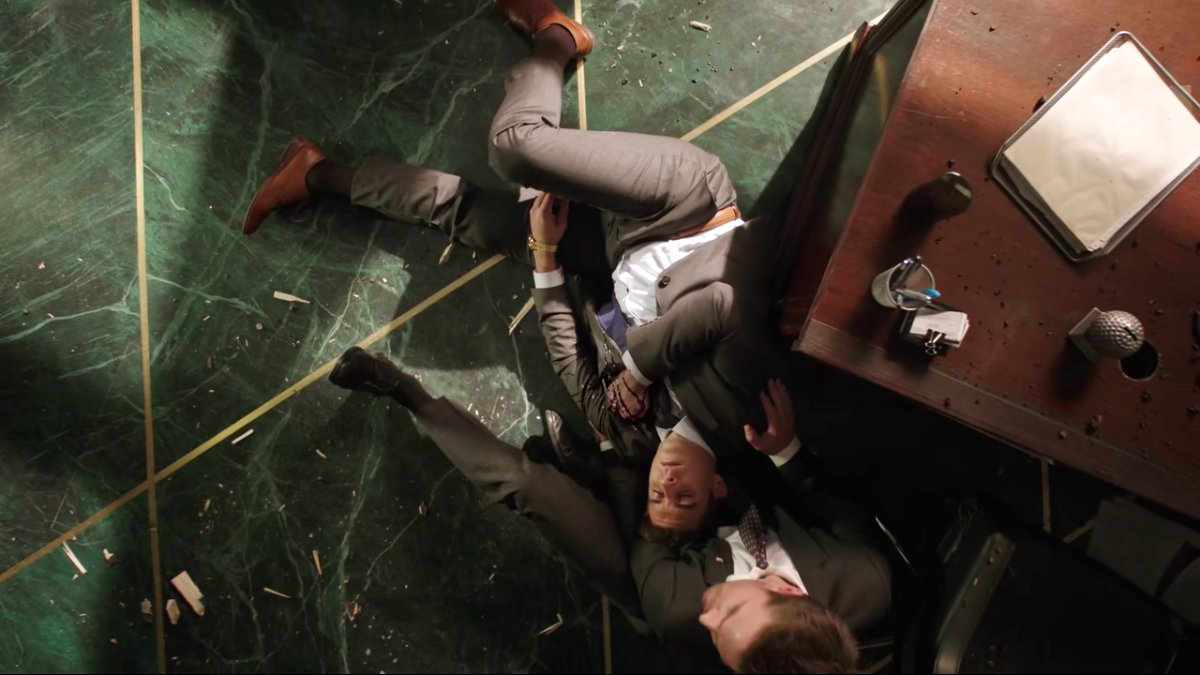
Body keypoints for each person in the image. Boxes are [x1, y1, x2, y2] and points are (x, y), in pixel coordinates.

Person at [239, 0, 792, 525]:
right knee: (515, 148)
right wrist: (638, 372)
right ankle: (556, 37)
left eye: (655, 495)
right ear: (719, 488)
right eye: (685, 496)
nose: (666, 482)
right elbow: (720, 306)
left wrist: (545, 253)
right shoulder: (743, 417)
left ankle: (316, 174)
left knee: (472, 220)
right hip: (686, 210)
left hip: (613, 253)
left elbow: (570, 362)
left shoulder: (634, 441)